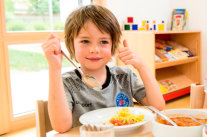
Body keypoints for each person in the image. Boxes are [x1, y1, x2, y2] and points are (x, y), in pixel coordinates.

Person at [42, 5, 165, 133]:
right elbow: (61, 127)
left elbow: (158, 106)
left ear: (113, 45)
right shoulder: (67, 82)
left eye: (103, 42)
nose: (94, 49)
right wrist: (54, 68)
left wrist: (142, 66)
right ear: (71, 45)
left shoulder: (124, 76)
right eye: (85, 41)